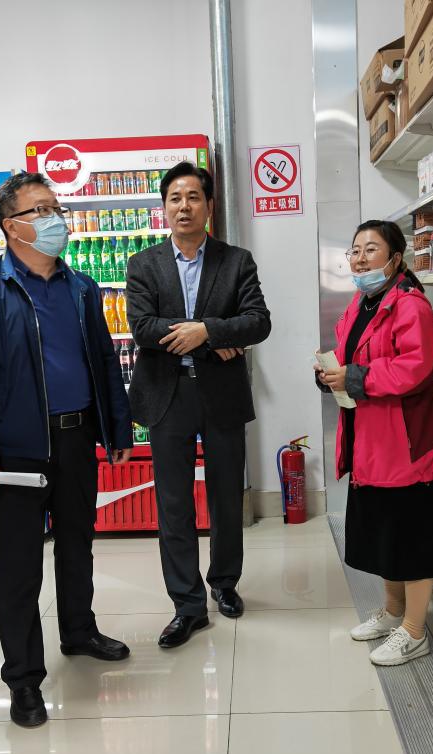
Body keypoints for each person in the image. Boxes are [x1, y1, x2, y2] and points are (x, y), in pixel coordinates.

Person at [0, 172, 134, 728]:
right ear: (12, 226)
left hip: (77, 437)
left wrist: (117, 429)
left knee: (78, 544)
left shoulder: (82, 288)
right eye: (42, 210)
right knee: (19, 564)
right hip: (17, 450)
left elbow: (104, 361)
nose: (56, 219)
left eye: (57, 208)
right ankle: (24, 677)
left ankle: (79, 632)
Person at [126, 162, 271, 649]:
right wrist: (214, 337)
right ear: (164, 208)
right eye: (174, 198)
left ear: (209, 205)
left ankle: (224, 583)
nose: (183, 206)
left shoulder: (236, 261)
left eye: (193, 197)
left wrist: (207, 331)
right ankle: (187, 606)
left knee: (227, 497)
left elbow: (258, 321)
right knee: (173, 504)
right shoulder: (143, 264)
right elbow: (142, 328)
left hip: (221, 395)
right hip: (167, 397)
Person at [315, 220, 433, 666]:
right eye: (354, 250)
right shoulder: (362, 303)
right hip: (371, 439)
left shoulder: (411, 306)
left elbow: (416, 368)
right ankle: (393, 612)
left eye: (370, 249)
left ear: (395, 258)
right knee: (384, 534)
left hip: (405, 443)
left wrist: (355, 377)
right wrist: (331, 374)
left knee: (412, 539)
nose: (359, 259)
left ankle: (415, 631)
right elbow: (352, 357)